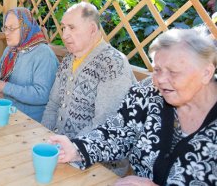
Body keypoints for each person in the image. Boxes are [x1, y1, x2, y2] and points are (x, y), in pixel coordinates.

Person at [49, 27, 217, 185]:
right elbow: (117, 134)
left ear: (206, 72)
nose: (160, 80)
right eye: (157, 70)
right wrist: (77, 149)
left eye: (173, 72)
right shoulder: (148, 92)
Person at [41, 2, 136, 174]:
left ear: (92, 29)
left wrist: (72, 150)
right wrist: (44, 138)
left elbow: (106, 123)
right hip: (61, 153)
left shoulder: (113, 64)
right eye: (63, 28)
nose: (64, 35)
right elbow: (53, 104)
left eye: (71, 28)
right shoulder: (69, 60)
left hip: (98, 166)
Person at [0, 7, 58, 122]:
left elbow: (43, 95)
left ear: (26, 27)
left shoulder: (44, 54)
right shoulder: (11, 50)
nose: (6, 33)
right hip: (8, 114)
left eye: (12, 28)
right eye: (5, 28)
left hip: (30, 123)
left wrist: (5, 87)